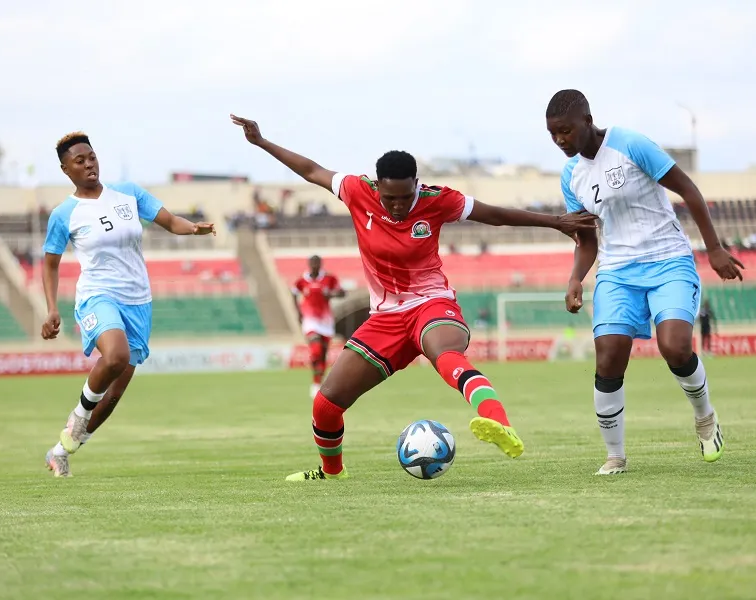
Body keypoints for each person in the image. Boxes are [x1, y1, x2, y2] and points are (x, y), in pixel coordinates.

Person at [231, 114, 598, 481]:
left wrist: (555, 221)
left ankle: (499, 422)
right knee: (326, 404)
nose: (397, 206)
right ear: (377, 187)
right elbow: (311, 170)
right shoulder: (356, 190)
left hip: (431, 304)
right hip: (385, 319)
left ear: (416, 185)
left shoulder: (437, 200)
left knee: (446, 355)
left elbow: (496, 215)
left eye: (405, 197)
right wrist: (262, 142)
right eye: (389, 198)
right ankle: (332, 474)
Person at [546, 89, 744, 475]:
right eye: (553, 134)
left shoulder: (631, 144)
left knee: (675, 347)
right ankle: (615, 455)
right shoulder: (572, 175)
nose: (560, 141)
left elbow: (689, 190)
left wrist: (714, 249)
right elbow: (586, 237)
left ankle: (705, 419)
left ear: (587, 121)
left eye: (566, 131)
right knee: (608, 356)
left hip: (668, 260)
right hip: (618, 271)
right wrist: (575, 278)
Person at [42, 132, 215, 477]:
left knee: (114, 396)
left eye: (91, 157)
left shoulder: (129, 193)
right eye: (79, 161)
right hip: (97, 296)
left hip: (138, 300)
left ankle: (63, 449)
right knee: (116, 356)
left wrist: (193, 228)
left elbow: (168, 220)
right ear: (66, 170)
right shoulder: (65, 214)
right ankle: (78, 413)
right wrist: (51, 309)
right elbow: (49, 264)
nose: (89, 164)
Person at [292, 255, 345, 399]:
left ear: (321, 264)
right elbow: (294, 294)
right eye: (312, 262)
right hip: (310, 321)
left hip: (326, 322)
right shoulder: (302, 281)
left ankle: (317, 383)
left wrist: (332, 294)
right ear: (309, 264)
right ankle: (315, 385)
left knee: (322, 356)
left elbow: (342, 292)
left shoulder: (329, 279)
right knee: (316, 350)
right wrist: (298, 312)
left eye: (317, 262)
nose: (315, 265)